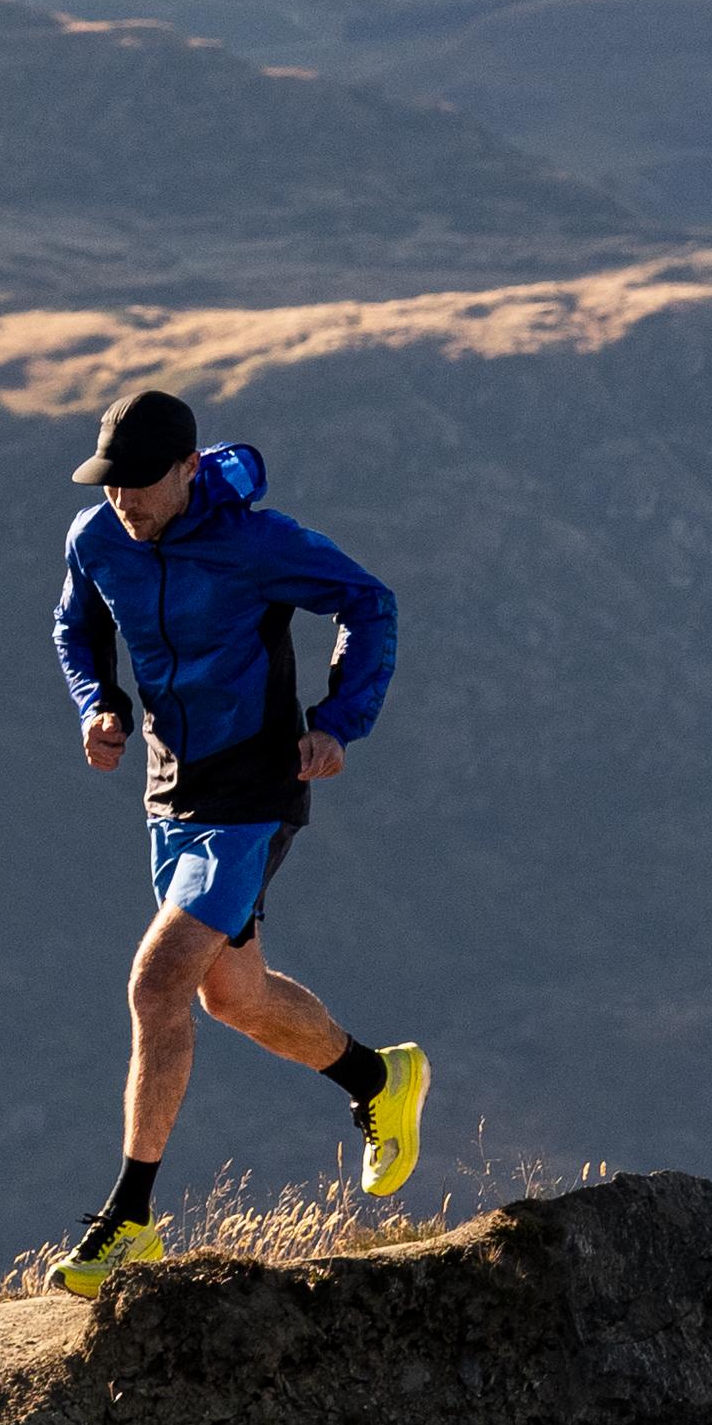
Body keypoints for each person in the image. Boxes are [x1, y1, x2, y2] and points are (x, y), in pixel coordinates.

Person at [43, 381, 434, 1292]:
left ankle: (130, 1219)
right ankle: (380, 1079)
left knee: (157, 981)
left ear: (188, 469)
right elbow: (77, 627)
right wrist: (97, 703)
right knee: (235, 995)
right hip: (170, 790)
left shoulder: (256, 542)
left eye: (140, 484)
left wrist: (339, 719)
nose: (122, 501)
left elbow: (368, 601)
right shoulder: (97, 536)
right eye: (110, 484)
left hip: (258, 787)